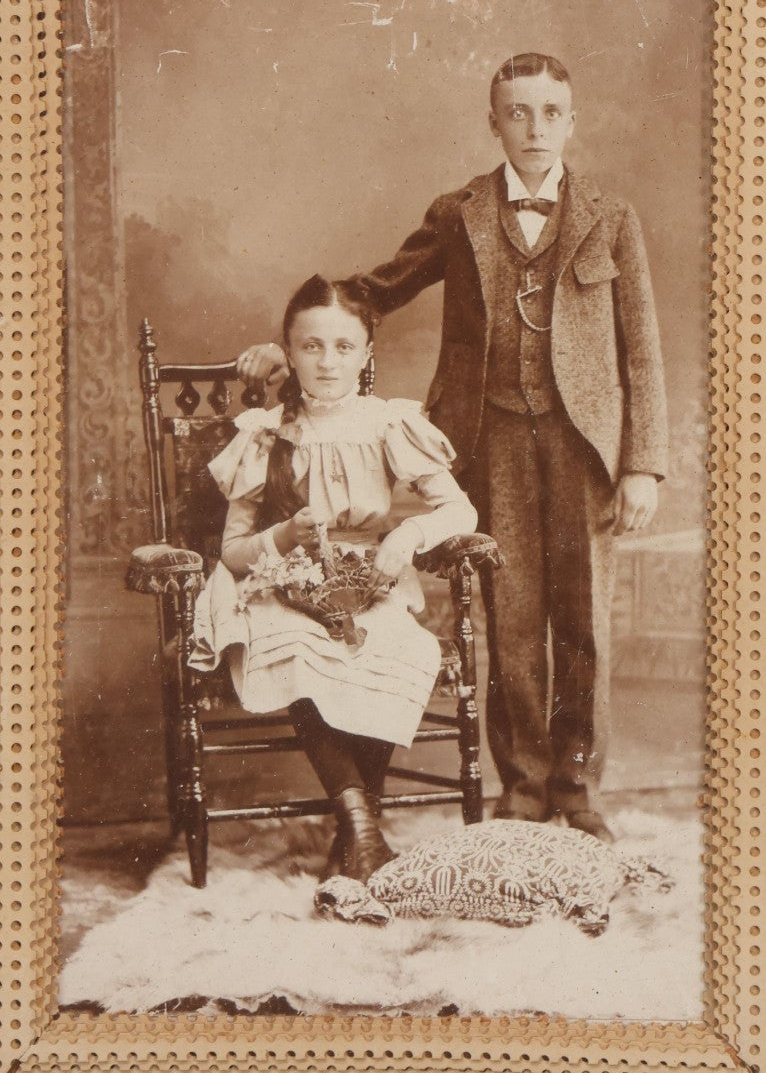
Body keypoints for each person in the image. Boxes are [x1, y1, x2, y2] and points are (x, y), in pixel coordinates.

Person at [236, 53, 668, 843]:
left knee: (582, 621)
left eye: (550, 112)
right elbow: (375, 289)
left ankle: (576, 788)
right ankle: (526, 787)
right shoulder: (459, 213)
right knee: (511, 617)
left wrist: (642, 463)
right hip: (489, 437)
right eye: (517, 112)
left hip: (585, 445)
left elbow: (641, 349)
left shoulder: (613, 215)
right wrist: (288, 340)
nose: (534, 128)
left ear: (572, 120)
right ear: (493, 121)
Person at [191, 274, 478, 883]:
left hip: (365, 581)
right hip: (277, 584)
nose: (328, 361)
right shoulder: (265, 432)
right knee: (295, 652)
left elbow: (460, 510)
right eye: (312, 346)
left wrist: (407, 536)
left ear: (367, 353)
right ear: (289, 353)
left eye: (344, 347)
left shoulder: (387, 424)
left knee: (388, 647)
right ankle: (365, 832)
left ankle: (354, 837)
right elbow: (235, 552)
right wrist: (285, 537)